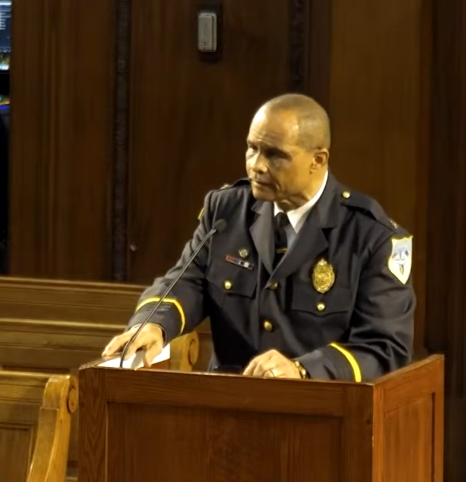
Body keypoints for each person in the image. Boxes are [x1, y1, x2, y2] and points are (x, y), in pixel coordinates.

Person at [102, 93, 415, 382]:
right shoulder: (225, 211)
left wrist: (302, 369)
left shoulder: (372, 237)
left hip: (320, 414)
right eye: (252, 148)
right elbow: (188, 280)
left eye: (275, 155)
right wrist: (156, 324)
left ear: (318, 159)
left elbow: (384, 346)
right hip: (226, 405)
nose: (256, 165)